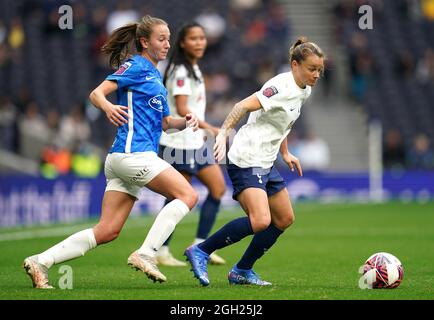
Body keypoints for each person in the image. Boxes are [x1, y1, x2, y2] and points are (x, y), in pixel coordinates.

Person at [23, 15, 200, 289]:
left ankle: (39, 261)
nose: (167, 45)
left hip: (122, 159)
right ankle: (146, 253)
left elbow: (165, 123)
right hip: (134, 155)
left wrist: (185, 121)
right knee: (188, 194)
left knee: (107, 231)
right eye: (161, 39)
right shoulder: (136, 65)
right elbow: (97, 94)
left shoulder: (155, 76)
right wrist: (108, 107)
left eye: (168, 39)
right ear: (144, 41)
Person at [184, 36, 325, 286]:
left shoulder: (305, 90)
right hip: (247, 156)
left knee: (284, 219)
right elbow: (242, 106)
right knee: (261, 220)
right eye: (311, 69)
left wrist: (285, 152)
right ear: (295, 65)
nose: (316, 75)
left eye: (319, 70)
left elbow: (282, 121)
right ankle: (202, 250)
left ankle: (242, 271)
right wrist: (224, 132)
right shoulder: (280, 86)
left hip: (267, 159)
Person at [156, 22, 226, 267]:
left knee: (217, 189)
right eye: (194, 38)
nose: (199, 42)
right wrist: (211, 128)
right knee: (179, 197)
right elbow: (183, 108)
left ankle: (201, 246)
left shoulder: (192, 67)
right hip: (178, 141)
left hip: (195, 142)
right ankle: (160, 249)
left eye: (202, 38)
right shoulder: (180, 70)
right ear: (183, 43)